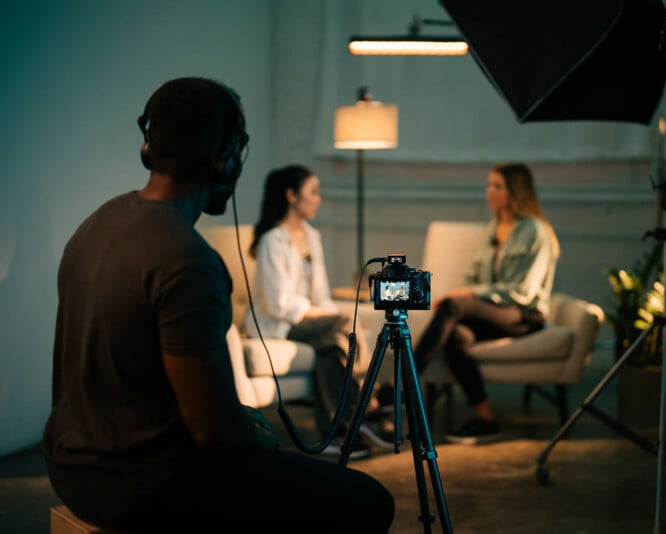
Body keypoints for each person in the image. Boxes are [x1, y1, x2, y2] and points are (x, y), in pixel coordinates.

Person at [43, 77, 394, 532]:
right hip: (141, 484)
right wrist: (254, 430)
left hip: (71, 468)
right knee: (369, 501)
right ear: (223, 160)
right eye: (238, 150)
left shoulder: (95, 225)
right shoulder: (187, 261)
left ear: (150, 148)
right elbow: (216, 432)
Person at [244, 165, 394, 457]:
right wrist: (322, 315)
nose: (318, 199)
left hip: (306, 319)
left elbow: (321, 294)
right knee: (341, 326)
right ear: (291, 196)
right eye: (313, 192)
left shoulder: (311, 236)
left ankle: (335, 433)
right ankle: (366, 405)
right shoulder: (272, 240)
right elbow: (278, 304)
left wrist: (324, 314)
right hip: (277, 322)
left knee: (333, 346)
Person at [413, 162, 560, 445]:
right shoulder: (492, 228)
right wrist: (467, 291)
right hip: (497, 312)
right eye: (489, 184)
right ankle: (486, 419)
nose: (488, 191)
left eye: (497, 186)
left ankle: (400, 386)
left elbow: (524, 291)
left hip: (524, 315)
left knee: (453, 305)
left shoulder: (536, 231)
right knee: (456, 336)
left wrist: (466, 295)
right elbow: (473, 276)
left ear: (514, 191)